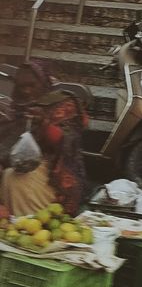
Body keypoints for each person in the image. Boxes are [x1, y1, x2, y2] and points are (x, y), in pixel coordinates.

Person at [0, 61, 87, 217]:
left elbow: (67, 143)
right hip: (16, 167)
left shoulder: (63, 104)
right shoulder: (14, 109)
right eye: (21, 86)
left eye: (32, 85)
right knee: (8, 175)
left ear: (44, 83)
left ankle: (30, 226)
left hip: (53, 175)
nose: (26, 91)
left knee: (16, 179)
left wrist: (44, 124)